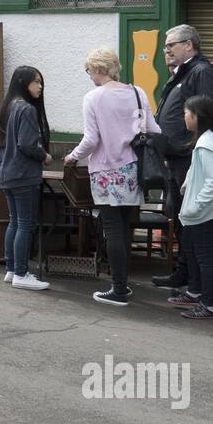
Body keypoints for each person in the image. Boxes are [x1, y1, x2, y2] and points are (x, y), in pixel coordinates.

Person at [65, 47, 160, 306]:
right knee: (125, 228)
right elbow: (154, 130)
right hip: (132, 171)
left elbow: (91, 139)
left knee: (112, 229)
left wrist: (73, 156)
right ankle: (122, 284)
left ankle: (119, 289)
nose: (90, 76)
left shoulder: (93, 98)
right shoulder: (138, 93)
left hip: (106, 171)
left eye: (89, 71)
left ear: (98, 69)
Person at [152, 25, 213, 292]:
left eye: (171, 45)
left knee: (195, 222)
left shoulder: (202, 71)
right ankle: (185, 273)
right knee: (181, 219)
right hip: (177, 158)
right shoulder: (185, 71)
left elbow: (205, 113)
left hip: (189, 158)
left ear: (189, 45)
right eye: (165, 46)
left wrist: (186, 147)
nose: (166, 50)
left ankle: (202, 286)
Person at [171, 95, 213, 319]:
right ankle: (195, 292)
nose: (184, 118)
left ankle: (207, 305)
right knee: (191, 248)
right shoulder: (208, 139)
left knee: (204, 256)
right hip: (201, 211)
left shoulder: (206, 145)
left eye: (186, 114)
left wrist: (196, 206)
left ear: (197, 117)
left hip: (203, 212)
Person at [0, 65, 53, 291]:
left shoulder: (9, 106)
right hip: (23, 174)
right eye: (36, 82)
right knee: (25, 224)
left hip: (6, 173)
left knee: (14, 222)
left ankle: (12, 270)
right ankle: (21, 273)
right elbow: (27, 144)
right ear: (24, 82)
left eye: (41, 82)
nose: (40, 87)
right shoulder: (27, 109)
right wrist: (45, 156)